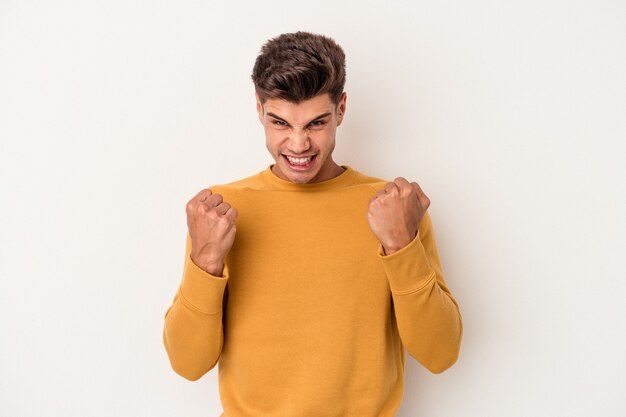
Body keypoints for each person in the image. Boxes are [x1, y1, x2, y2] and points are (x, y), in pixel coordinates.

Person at [163, 31, 463, 417]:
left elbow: (441, 353)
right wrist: (205, 261)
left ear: (341, 109)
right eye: (280, 123)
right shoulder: (221, 211)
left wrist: (402, 246)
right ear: (258, 109)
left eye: (316, 122)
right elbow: (187, 364)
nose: (299, 143)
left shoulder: (394, 209)